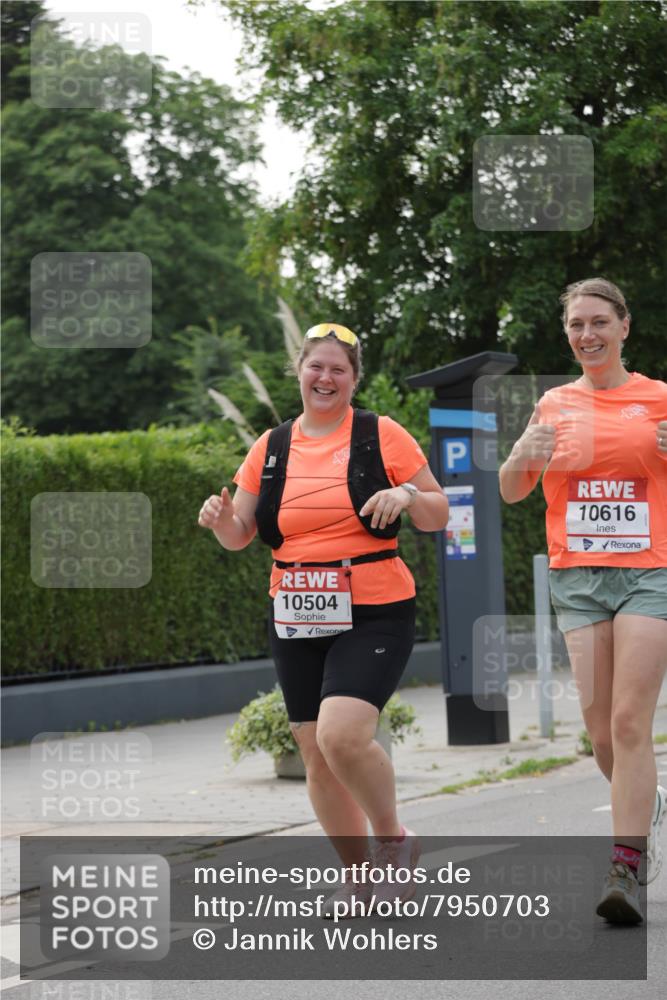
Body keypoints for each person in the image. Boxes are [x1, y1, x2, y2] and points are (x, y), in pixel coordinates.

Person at [198, 323, 449, 917]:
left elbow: (438, 511)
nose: (326, 378)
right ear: (300, 372)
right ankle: (358, 877)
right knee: (314, 750)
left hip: (374, 606)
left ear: (354, 379)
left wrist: (409, 497)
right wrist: (218, 520)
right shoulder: (272, 445)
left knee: (342, 736)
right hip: (295, 607)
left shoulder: (381, 434)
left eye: (339, 369)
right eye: (317, 367)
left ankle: (392, 839)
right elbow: (241, 534)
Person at [499, 278, 667, 925]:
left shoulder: (656, 398)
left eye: (599, 322)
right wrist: (522, 452)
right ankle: (642, 805)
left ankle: (624, 867)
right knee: (599, 733)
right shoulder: (553, 403)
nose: (587, 335)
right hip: (577, 579)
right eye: (576, 325)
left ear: (624, 326)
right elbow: (513, 490)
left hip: (648, 573)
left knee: (628, 722)